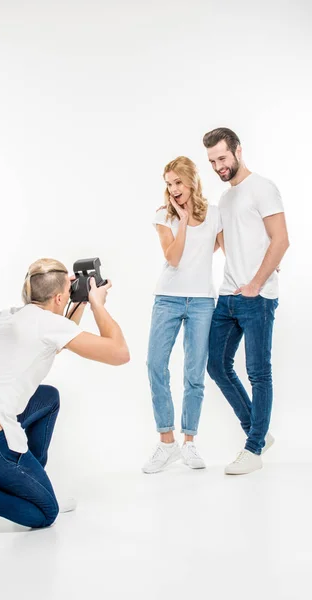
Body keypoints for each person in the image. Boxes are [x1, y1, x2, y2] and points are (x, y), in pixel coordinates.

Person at [0, 258, 129, 544]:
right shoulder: (46, 325)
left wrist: (80, 303)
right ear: (60, 297)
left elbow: (54, 342)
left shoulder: (9, 316)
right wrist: (98, 303)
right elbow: (120, 353)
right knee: (46, 512)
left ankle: (32, 483)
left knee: (48, 398)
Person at [203, 127, 289, 475]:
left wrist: (256, 282)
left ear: (237, 150)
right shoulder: (225, 199)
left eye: (222, 158)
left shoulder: (263, 188)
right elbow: (224, 244)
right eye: (212, 161)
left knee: (258, 372)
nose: (218, 166)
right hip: (227, 295)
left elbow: (281, 240)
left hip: (258, 296)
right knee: (217, 366)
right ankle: (259, 432)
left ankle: (253, 448)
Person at [143, 156, 224, 474]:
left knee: (194, 373)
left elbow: (224, 249)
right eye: (168, 184)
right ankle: (167, 442)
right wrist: (184, 218)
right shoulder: (164, 215)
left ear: (191, 181)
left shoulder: (216, 215)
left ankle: (189, 442)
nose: (173, 189)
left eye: (178, 182)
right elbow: (174, 258)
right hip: (168, 299)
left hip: (203, 301)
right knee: (155, 365)